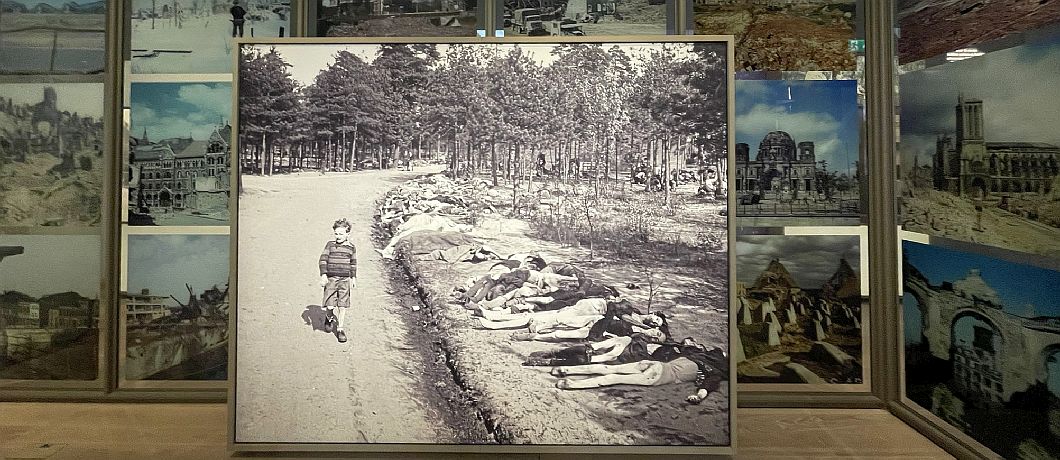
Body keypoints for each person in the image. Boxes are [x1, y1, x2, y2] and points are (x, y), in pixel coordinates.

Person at [551, 337, 728, 405]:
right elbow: (707, 385)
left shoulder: (700, 358)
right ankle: (571, 383)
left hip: (655, 367)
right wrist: (699, 396)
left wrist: (699, 396)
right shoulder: (710, 368)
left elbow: (708, 384)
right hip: (657, 373)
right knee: (612, 376)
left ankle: (566, 370)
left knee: (609, 370)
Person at [318, 218, 357, 343]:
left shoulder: (351, 248)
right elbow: (323, 259)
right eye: (336, 234)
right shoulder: (330, 245)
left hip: (344, 280)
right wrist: (323, 274)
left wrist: (353, 277)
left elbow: (353, 263)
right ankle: (329, 317)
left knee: (342, 305)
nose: (338, 236)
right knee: (330, 304)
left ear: (347, 234)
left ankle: (340, 329)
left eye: (341, 234)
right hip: (331, 279)